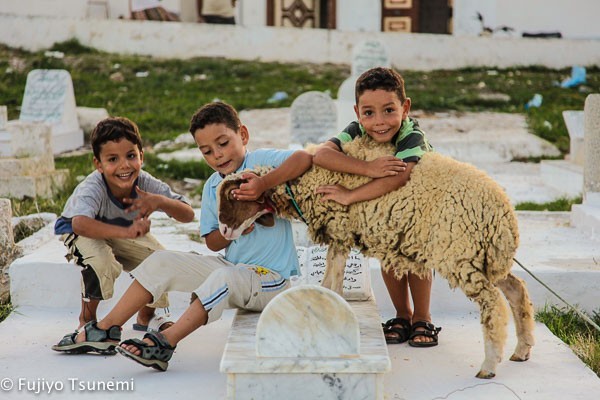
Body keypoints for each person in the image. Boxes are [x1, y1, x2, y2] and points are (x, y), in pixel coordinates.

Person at [52, 101, 313, 371]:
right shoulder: (213, 185)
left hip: (271, 279)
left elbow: (304, 159)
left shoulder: (260, 162)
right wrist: (232, 231)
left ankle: (165, 342)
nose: (218, 156)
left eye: (223, 143)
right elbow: (212, 242)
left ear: (243, 135)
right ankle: (105, 329)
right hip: (234, 268)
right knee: (161, 260)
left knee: (224, 278)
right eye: (207, 151)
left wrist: (263, 184)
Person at [313, 67, 441, 347]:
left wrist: (350, 195)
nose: (379, 122)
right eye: (369, 113)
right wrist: (367, 168)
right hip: (384, 208)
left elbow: (401, 175)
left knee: (415, 256)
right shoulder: (356, 129)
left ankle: (423, 317)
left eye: (388, 110)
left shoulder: (411, 134)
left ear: (405, 108)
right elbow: (322, 154)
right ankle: (402, 315)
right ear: (358, 112)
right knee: (389, 256)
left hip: (419, 204)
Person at [52, 116, 195, 353]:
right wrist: (126, 231)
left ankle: (148, 316)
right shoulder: (93, 187)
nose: (124, 166)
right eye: (112, 159)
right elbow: (80, 224)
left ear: (142, 156)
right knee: (101, 262)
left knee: (160, 259)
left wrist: (160, 201)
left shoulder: (144, 182)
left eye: (131, 156)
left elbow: (188, 214)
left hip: (120, 231)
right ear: (98, 164)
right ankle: (86, 322)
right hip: (83, 231)